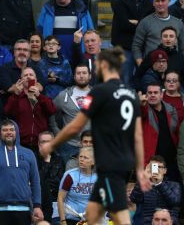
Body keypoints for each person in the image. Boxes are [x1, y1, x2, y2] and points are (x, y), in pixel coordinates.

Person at [40, 47, 152, 225]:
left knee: (120, 216)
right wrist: (138, 169)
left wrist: (51, 145)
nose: (95, 69)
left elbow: (75, 126)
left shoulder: (99, 91)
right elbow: (137, 136)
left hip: (109, 163)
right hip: (122, 162)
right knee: (92, 215)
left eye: (98, 64)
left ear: (105, 65)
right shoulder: (131, 94)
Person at [0, 120, 43, 224]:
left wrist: (37, 206)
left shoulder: (29, 154)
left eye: (11, 129)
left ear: (17, 132)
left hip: (24, 209)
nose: (8, 132)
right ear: (0, 133)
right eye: (5, 130)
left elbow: (35, 182)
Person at [37, 0, 94, 65]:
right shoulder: (47, 8)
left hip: (77, 56)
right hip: (53, 58)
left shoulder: (81, 8)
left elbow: (91, 31)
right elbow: (39, 31)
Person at [112, 0, 154, 85]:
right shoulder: (121, 2)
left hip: (143, 47)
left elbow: (148, 26)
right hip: (125, 46)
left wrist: (134, 22)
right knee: (125, 79)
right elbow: (123, 25)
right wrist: (140, 23)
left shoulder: (150, 4)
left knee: (145, 79)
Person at [4, 67, 56, 150]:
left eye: (31, 75)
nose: (28, 77)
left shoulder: (43, 97)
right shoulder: (16, 97)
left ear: (35, 79)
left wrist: (39, 96)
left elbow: (52, 110)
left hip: (40, 144)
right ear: (21, 80)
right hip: (21, 143)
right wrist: (16, 94)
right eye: (25, 75)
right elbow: (7, 112)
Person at [140, 83, 180, 182]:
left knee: (175, 191)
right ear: (146, 95)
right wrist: (141, 104)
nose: (152, 95)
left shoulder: (171, 109)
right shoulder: (144, 109)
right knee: (157, 187)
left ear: (161, 95)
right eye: (149, 93)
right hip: (154, 162)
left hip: (172, 160)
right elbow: (142, 111)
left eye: (155, 92)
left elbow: (176, 132)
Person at [132, 0, 184, 66]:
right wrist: (141, 66)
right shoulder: (145, 22)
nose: (160, 4)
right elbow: (136, 46)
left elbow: (182, 48)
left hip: (173, 69)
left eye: (163, 1)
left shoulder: (178, 23)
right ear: (153, 3)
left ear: (168, 2)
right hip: (150, 68)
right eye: (157, 1)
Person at [51, 64, 92, 161]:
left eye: (84, 73)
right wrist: (56, 131)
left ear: (90, 76)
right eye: (78, 73)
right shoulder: (64, 95)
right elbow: (50, 112)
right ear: (74, 77)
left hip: (91, 145)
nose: (81, 75)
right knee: (69, 175)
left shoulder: (97, 95)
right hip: (69, 145)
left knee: (90, 175)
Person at [131, 155, 180, 224]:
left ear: (165, 170)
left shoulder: (174, 185)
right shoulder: (144, 185)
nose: (156, 169)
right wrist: (143, 179)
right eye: (153, 167)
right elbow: (134, 199)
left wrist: (160, 183)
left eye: (159, 167)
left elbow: (175, 202)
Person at [57, 147, 97, 225]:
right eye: (80, 157)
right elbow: (60, 198)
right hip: (71, 218)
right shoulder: (70, 175)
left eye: (85, 157)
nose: (81, 159)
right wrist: (63, 221)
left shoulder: (97, 178)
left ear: (93, 162)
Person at [35, 131, 65, 223]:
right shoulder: (33, 158)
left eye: (49, 142)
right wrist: (46, 161)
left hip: (55, 199)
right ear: (38, 144)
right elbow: (38, 181)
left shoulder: (59, 158)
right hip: (39, 201)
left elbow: (59, 182)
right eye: (43, 142)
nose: (46, 144)